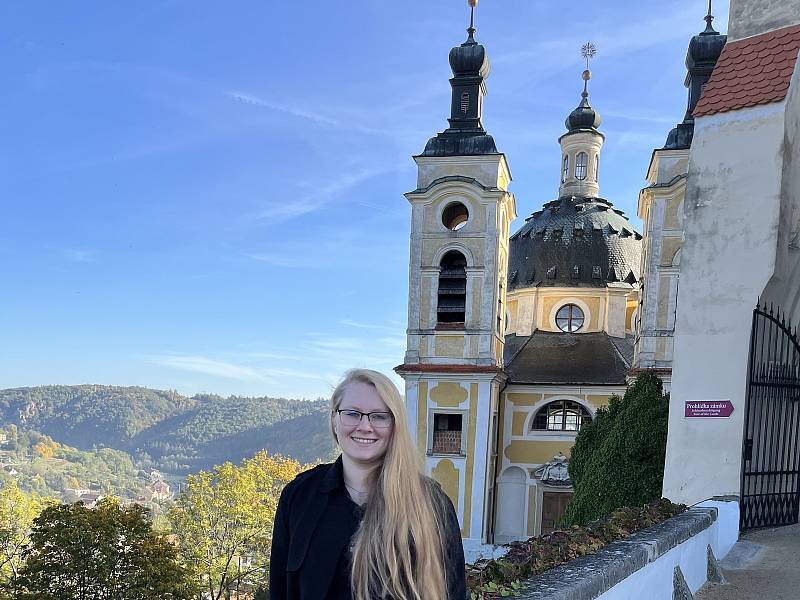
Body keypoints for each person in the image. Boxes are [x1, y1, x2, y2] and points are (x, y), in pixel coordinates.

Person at [269, 369, 466, 600]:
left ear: (395, 425)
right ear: (334, 420)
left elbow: (455, 592)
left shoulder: (432, 503)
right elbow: (280, 589)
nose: (364, 426)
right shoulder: (298, 496)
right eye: (352, 413)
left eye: (379, 416)